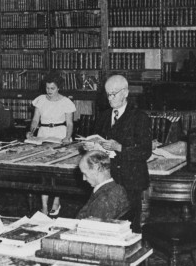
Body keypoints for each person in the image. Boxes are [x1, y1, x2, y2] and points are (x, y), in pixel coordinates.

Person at [92, 75, 152, 232]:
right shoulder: (103, 116)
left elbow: (145, 151)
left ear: (125, 92)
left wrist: (120, 148)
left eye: (114, 94)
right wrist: (91, 146)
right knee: (105, 222)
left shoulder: (140, 117)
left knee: (129, 226)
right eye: (108, 94)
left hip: (130, 179)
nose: (110, 98)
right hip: (108, 178)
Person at [27, 72, 76, 216]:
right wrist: (31, 131)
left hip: (60, 134)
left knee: (56, 171)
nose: (49, 91)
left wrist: (67, 137)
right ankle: (43, 206)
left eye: (52, 88)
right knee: (43, 170)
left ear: (58, 88)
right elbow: (35, 120)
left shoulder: (66, 102)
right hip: (43, 133)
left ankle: (56, 202)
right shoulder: (40, 100)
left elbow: (70, 123)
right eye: (47, 88)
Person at [76, 150, 130, 220]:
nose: (84, 178)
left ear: (96, 169)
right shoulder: (118, 188)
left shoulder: (104, 199)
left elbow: (92, 228)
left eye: (85, 174)